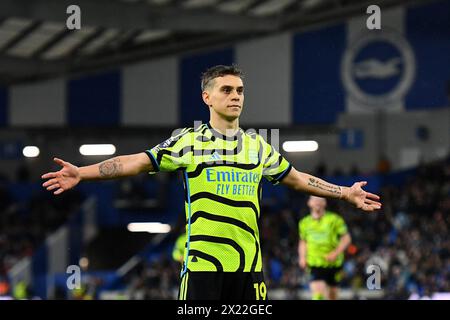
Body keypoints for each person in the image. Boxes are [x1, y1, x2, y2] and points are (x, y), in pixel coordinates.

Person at [42, 65, 381, 300]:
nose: (236, 96)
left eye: (240, 90)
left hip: (249, 268)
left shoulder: (258, 146)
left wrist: (345, 192)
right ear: (207, 97)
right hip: (204, 267)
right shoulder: (188, 142)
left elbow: (296, 179)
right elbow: (136, 162)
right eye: (227, 90)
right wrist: (82, 172)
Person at [298, 196, 351, 300]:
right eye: (314, 199)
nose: (317, 201)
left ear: (325, 203)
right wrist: (302, 257)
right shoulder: (304, 222)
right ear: (309, 203)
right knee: (318, 295)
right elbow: (303, 241)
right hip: (315, 263)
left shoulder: (334, 219)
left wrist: (335, 253)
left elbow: (346, 238)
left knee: (332, 296)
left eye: (320, 199)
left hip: (334, 263)